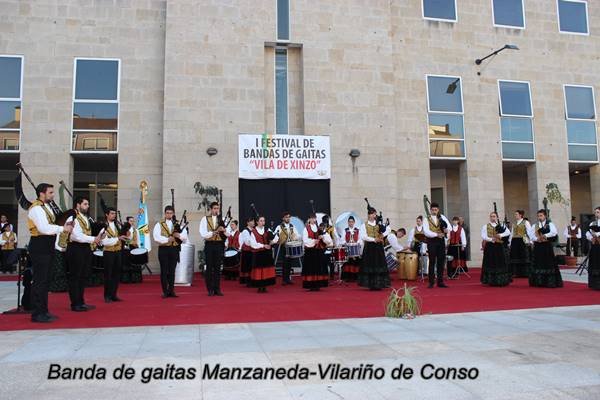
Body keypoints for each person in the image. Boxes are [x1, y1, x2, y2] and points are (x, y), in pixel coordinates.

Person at [28, 183, 73, 323]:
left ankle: (44, 310)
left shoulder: (45, 207)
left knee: (46, 280)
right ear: (42, 193)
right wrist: (62, 228)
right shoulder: (36, 208)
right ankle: (37, 313)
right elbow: (43, 228)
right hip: (39, 244)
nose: (53, 195)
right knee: (40, 281)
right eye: (51, 192)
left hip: (47, 244)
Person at [66, 197, 102, 312]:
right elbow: (75, 235)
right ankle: (75, 303)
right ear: (78, 205)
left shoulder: (85, 218)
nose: (88, 206)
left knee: (82, 276)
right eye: (85, 204)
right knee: (75, 276)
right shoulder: (72, 217)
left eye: (88, 204)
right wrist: (93, 239)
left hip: (85, 248)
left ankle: (81, 301)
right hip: (75, 247)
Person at [153, 205, 188, 298]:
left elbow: (185, 236)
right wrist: (167, 239)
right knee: (164, 271)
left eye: (171, 213)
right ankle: (165, 291)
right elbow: (156, 237)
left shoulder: (177, 224)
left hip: (174, 249)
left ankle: (171, 290)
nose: (169, 215)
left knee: (172, 271)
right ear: (165, 214)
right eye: (167, 213)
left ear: (173, 214)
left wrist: (178, 236)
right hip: (164, 249)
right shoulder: (159, 224)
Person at [527, 209, 563, 288]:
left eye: (541, 215)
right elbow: (531, 235)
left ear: (545, 216)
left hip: (547, 246)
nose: (539, 217)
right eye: (538, 216)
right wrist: (537, 239)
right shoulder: (535, 225)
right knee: (538, 262)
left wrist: (545, 236)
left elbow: (554, 232)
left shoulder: (550, 224)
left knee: (548, 262)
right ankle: (538, 282)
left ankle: (549, 282)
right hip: (538, 246)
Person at [358, 207, 391, 291]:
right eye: (373, 214)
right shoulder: (364, 225)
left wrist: (382, 235)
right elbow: (363, 236)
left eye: (375, 214)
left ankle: (379, 283)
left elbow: (388, 229)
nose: (374, 215)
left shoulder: (378, 224)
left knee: (378, 264)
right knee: (370, 264)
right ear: (369, 215)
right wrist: (373, 239)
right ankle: (371, 284)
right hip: (369, 247)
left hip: (378, 247)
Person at [102, 208, 130, 303]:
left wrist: (126, 235)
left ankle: (114, 294)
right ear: (107, 215)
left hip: (118, 252)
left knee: (116, 274)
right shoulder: (103, 226)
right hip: (108, 252)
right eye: (112, 213)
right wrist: (118, 238)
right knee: (108, 275)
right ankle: (107, 295)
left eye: (114, 214)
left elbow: (124, 237)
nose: (114, 215)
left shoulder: (117, 225)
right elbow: (104, 241)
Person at [199, 202, 226, 296]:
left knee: (218, 267)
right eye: (214, 208)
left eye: (217, 208)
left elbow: (228, 234)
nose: (216, 210)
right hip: (209, 244)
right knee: (209, 267)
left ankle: (217, 289)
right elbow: (203, 233)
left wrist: (224, 231)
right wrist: (213, 233)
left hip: (219, 245)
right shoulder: (204, 219)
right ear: (210, 209)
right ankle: (210, 289)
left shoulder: (221, 219)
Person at [423, 203, 450, 288]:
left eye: (436, 210)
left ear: (438, 210)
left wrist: (446, 230)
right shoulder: (426, 219)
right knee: (432, 261)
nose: (434, 211)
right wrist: (436, 234)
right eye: (433, 210)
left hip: (441, 241)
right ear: (430, 210)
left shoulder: (442, 217)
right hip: (431, 241)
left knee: (441, 261)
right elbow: (426, 231)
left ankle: (440, 281)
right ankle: (431, 282)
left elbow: (449, 227)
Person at [481, 212, 512, 287]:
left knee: (499, 262)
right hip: (490, 246)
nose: (492, 218)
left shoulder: (501, 225)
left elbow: (508, 232)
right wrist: (491, 239)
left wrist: (500, 235)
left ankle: (500, 280)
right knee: (490, 262)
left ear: (497, 217)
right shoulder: (485, 226)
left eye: (494, 216)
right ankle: (490, 280)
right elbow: (483, 235)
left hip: (499, 246)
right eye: (491, 216)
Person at [302, 215, 332, 291]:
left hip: (319, 251)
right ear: (309, 219)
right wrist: (314, 241)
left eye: (314, 218)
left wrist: (322, 237)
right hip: (310, 252)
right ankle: (311, 285)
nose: (313, 220)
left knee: (319, 268)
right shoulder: (306, 229)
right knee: (311, 268)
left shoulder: (319, 228)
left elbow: (327, 239)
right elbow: (305, 240)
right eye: (311, 218)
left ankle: (318, 284)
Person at [249, 216, 277, 292]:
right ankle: (260, 286)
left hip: (267, 253)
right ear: (257, 222)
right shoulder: (253, 231)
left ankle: (265, 286)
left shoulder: (267, 230)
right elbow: (253, 244)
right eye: (261, 221)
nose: (262, 222)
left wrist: (272, 242)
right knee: (259, 270)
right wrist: (263, 245)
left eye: (263, 221)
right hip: (258, 253)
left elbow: (275, 237)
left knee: (266, 270)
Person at [272, 212, 299, 285]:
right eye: (286, 217)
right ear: (283, 218)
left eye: (289, 217)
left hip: (291, 246)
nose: (288, 218)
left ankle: (288, 278)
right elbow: (276, 235)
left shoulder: (292, 226)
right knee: (285, 263)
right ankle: (284, 279)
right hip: (284, 246)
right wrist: (274, 241)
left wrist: (296, 238)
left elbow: (296, 234)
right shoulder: (279, 226)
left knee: (290, 263)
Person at [338, 216, 361, 282]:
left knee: (355, 263)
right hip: (347, 249)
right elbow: (341, 240)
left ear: (354, 222)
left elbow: (360, 239)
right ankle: (347, 277)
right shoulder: (345, 230)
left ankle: (355, 277)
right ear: (348, 222)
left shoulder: (357, 230)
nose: (351, 223)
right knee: (348, 263)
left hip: (355, 249)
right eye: (349, 222)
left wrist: (356, 242)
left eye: (352, 222)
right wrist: (346, 242)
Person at [509, 210, 532, 278]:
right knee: (515, 256)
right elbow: (512, 233)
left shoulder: (526, 222)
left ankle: (525, 273)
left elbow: (529, 232)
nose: (515, 215)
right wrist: (509, 242)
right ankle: (516, 272)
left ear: (520, 215)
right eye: (515, 214)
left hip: (523, 240)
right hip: (515, 241)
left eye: (516, 214)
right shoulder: (514, 223)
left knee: (523, 255)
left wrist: (531, 241)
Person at [585, 206, 600, 290]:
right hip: (595, 246)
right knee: (595, 263)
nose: (596, 214)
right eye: (595, 212)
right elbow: (587, 233)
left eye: (598, 212)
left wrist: (597, 234)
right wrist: (591, 238)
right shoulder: (592, 223)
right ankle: (595, 284)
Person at [239, 217, 255, 285]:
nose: (253, 223)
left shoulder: (254, 230)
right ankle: (248, 281)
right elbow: (247, 242)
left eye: (253, 221)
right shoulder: (245, 231)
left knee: (251, 266)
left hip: (253, 251)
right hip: (247, 251)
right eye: (251, 221)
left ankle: (252, 280)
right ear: (247, 223)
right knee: (247, 266)